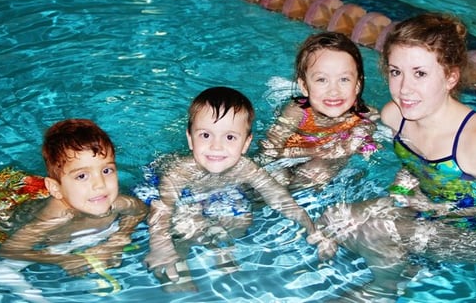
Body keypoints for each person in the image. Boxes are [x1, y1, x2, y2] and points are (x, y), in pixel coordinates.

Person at [316, 13, 476, 299]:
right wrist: (397, 194)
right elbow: (414, 166)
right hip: (427, 209)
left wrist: (451, 210)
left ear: (450, 77)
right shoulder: (395, 116)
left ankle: (384, 289)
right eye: (396, 72)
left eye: (420, 73)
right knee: (332, 219)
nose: (404, 88)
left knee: (376, 231)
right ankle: (412, 265)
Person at [142, 86, 336, 291]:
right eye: (206, 135)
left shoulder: (245, 168)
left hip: (217, 194)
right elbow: (162, 210)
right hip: (181, 197)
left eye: (230, 137)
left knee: (243, 219)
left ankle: (218, 243)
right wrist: (159, 246)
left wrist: (312, 229)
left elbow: (279, 199)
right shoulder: (179, 172)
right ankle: (176, 268)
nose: (216, 146)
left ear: (245, 144)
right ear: (190, 139)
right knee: (185, 223)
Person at [0, 119, 148, 277]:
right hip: (2, 215)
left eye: (106, 170)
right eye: (82, 176)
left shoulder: (116, 202)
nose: (100, 184)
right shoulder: (53, 219)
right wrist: (62, 260)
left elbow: (139, 210)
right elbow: (10, 250)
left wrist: (121, 237)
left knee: (23, 186)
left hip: (43, 193)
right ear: (57, 189)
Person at [258, 31, 378, 190]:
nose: (334, 90)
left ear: (357, 85)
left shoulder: (366, 114)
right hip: (287, 158)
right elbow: (270, 150)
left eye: (344, 79)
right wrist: (315, 151)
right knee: (277, 177)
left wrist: (364, 143)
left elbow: (367, 140)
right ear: (304, 87)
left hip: (323, 164)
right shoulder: (297, 112)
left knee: (317, 172)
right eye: (322, 80)